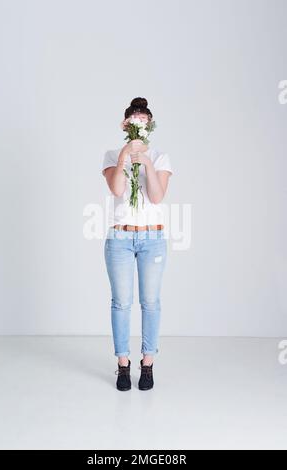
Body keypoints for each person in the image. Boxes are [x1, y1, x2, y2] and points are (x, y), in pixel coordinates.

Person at [102, 97, 173, 391]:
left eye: (144, 120)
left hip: (152, 238)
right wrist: (124, 156)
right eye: (134, 120)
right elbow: (117, 188)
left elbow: (157, 197)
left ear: (150, 125)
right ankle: (122, 365)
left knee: (151, 302)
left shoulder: (160, 157)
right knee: (121, 302)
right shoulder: (111, 154)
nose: (139, 125)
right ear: (126, 125)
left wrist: (144, 162)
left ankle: (147, 364)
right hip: (120, 237)